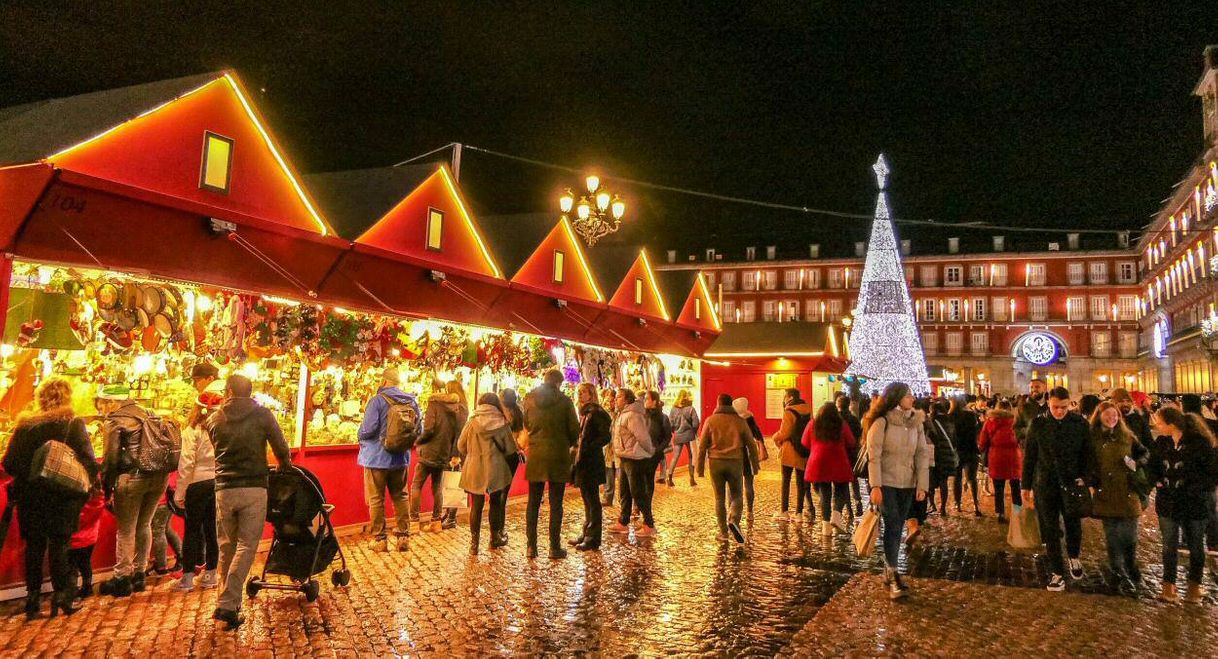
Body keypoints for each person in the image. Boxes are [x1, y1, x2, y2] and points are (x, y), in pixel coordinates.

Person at [2, 378, 96, 619]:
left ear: (40, 399)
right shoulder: (72, 425)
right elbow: (89, 461)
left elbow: (10, 463)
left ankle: (32, 599)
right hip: (63, 498)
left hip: (30, 498)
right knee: (59, 547)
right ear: (67, 398)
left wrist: (32, 474)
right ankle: (61, 596)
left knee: (34, 547)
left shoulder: (25, 427)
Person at [208, 374, 293, 630]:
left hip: (224, 489)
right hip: (254, 487)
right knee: (246, 546)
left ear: (229, 391)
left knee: (227, 547)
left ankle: (229, 605)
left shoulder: (214, 418)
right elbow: (280, 447)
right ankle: (227, 603)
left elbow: (217, 448)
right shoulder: (263, 415)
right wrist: (284, 465)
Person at [98, 384, 169, 598]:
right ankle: (139, 573)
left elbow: (110, 458)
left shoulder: (115, 419)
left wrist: (107, 485)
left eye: (103, 402)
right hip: (158, 477)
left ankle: (122, 578)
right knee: (145, 524)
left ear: (111, 402)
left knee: (126, 529)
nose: (102, 407)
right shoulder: (150, 414)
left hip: (131, 478)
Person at [866, 382, 930, 600]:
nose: (912, 398)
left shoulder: (917, 423)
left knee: (898, 524)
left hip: (908, 483)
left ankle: (888, 568)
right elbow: (873, 456)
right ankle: (893, 573)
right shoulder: (881, 422)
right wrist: (875, 485)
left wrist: (922, 484)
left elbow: (922, 454)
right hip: (887, 482)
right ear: (896, 398)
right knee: (893, 524)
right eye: (908, 395)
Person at [1021, 387, 1089, 592]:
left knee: (1073, 523)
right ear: (1049, 404)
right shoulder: (1038, 424)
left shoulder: (1080, 424)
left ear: (1070, 404)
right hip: (1045, 482)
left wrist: (1086, 478)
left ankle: (1074, 556)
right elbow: (1030, 456)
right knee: (1049, 529)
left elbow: (1087, 453)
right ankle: (1057, 572)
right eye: (1055, 407)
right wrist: (1025, 485)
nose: (1059, 411)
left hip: (1071, 481)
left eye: (1063, 407)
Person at [1148, 407, 1218, 603]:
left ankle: (1194, 586)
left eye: (1160, 423)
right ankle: (1168, 586)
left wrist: (1195, 487)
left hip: (1193, 502)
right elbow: (1152, 465)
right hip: (1168, 501)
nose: (1157, 427)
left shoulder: (1200, 444)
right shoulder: (1162, 442)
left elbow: (1212, 473)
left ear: (1171, 425)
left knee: (1196, 545)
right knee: (1169, 544)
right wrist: (1156, 480)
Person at [1086, 401, 1147, 595]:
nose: (1111, 418)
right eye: (1107, 415)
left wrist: (1135, 464)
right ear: (1099, 416)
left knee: (1129, 535)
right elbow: (1085, 461)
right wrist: (1092, 479)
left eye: (1115, 415)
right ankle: (1116, 568)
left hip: (1128, 492)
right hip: (1106, 492)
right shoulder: (1092, 438)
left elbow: (1144, 453)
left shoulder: (1127, 436)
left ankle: (1130, 564)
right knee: (1112, 536)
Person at [357, 368, 419, 552]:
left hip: (376, 457)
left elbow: (368, 429)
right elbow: (419, 429)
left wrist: (359, 434)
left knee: (376, 499)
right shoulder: (412, 402)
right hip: (400, 458)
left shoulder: (377, 401)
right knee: (401, 496)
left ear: (384, 381)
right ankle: (403, 537)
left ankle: (380, 539)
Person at [522, 369, 580, 559]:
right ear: (558, 383)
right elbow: (574, 430)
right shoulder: (565, 402)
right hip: (558, 455)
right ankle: (554, 547)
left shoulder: (530, 399)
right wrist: (566, 442)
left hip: (537, 455)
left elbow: (527, 424)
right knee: (556, 504)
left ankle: (531, 547)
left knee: (533, 503)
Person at [174, 381, 222, 591]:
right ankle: (211, 574)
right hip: (217, 482)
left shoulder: (192, 430)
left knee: (192, 530)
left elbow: (186, 463)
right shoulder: (222, 429)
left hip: (197, 483)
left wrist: (180, 491)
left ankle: (187, 578)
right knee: (213, 530)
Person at [696, 393, 760, 543]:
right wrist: (755, 465)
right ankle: (734, 521)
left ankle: (723, 532)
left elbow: (702, 445)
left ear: (718, 404)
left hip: (716, 463)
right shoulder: (739, 421)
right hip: (735, 462)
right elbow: (751, 443)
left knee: (719, 498)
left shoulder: (710, 421)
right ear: (731, 405)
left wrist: (699, 468)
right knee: (737, 495)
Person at [458, 392, 516, 555]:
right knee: (495, 503)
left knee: (476, 506)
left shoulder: (472, 422)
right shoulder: (502, 422)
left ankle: (474, 544)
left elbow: (461, 445)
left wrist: (473, 453)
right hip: (496, 469)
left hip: (475, 468)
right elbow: (510, 449)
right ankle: (494, 538)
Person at [411, 380, 466, 533]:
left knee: (416, 486)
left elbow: (428, 429)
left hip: (428, 451)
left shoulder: (434, 404)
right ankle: (436, 522)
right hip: (443, 453)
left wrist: (418, 441)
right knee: (437, 488)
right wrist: (454, 453)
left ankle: (414, 522)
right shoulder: (457, 408)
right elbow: (457, 433)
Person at [569, 383, 613, 551]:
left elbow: (605, 437)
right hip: (583, 461)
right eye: (579, 392)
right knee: (586, 499)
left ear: (591, 394)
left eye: (583, 392)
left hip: (591, 461)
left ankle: (593, 537)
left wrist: (588, 446)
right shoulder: (585, 413)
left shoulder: (596, 413)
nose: (580, 395)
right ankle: (586, 531)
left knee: (592, 500)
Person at [609, 388, 657, 537]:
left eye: (619, 397)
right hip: (624, 456)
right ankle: (623, 522)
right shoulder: (622, 415)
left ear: (627, 399)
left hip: (634, 458)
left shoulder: (632, 415)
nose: (616, 400)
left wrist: (650, 451)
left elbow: (642, 437)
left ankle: (649, 524)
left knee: (637, 491)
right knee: (624, 491)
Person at [803, 402, 856, 537]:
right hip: (839, 460)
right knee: (842, 489)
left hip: (818, 462)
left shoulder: (813, 424)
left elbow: (804, 441)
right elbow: (851, 442)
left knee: (824, 494)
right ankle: (836, 514)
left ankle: (825, 527)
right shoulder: (841, 424)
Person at [771, 388, 814, 519]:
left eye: (785, 397)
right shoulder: (808, 409)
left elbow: (785, 432)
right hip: (803, 449)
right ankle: (799, 513)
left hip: (789, 449)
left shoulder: (788, 411)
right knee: (801, 482)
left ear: (789, 397)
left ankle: (784, 511)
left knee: (786, 480)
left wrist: (775, 437)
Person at [977, 399, 1022, 522]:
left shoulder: (989, 421)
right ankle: (1017, 513)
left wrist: (982, 449)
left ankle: (1000, 513)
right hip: (1014, 457)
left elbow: (982, 442)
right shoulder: (1015, 420)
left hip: (996, 457)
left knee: (999, 488)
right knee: (1016, 488)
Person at [497, 388, 526, 546]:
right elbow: (520, 435)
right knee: (504, 492)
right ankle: (500, 528)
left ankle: (497, 529)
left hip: (500, 453)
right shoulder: (517, 413)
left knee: (497, 493)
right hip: (512, 454)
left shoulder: (499, 413)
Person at [732, 397, 767, 520]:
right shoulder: (750, 419)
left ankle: (733, 510)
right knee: (749, 484)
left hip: (735, 455)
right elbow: (758, 436)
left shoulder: (734, 420)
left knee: (734, 485)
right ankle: (750, 512)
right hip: (749, 455)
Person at [69, 485, 105, 601]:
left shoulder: (73, 495)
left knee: (71, 566)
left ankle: (72, 590)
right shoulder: (97, 495)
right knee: (85, 562)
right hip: (90, 537)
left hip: (73, 538)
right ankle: (87, 586)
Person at [948, 396, 982, 516]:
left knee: (957, 479)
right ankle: (976, 504)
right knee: (972, 479)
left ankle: (958, 504)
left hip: (957, 450)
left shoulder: (950, 416)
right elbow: (976, 431)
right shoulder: (971, 415)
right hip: (971, 449)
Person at [924, 400, 957, 515]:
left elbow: (929, 437)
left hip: (934, 454)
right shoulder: (950, 421)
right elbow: (954, 438)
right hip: (947, 454)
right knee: (944, 481)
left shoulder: (932, 421)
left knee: (930, 481)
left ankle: (932, 504)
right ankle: (943, 507)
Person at [837, 394, 865, 516]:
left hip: (841, 453)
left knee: (842, 482)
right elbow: (859, 434)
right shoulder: (853, 419)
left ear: (838, 405)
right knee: (854, 480)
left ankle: (848, 508)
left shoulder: (837, 419)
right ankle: (858, 501)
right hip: (852, 452)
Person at [666, 389, 700, 487]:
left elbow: (670, 423)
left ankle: (670, 477)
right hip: (689, 436)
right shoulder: (690, 408)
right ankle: (691, 479)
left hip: (677, 435)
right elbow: (695, 423)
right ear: (686, 396)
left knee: (675, 456)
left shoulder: (673, 409)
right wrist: (694, 431)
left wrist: (675, 431)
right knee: (691, 456)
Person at [644, 391, 673, 486]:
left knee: (648, 482)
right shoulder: (642, 416)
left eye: (647, 398)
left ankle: (647, 500)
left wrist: (658, 450)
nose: (645, 401)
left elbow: (667, 436)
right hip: (640, 453)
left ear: (654, 401)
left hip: (653, 454)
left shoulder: (663, 418)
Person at [1014, 378, 1048, 447]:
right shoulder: (1023, 407)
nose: (1034, 390)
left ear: (1045, 388)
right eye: (1031, 387)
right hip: (1029, 448)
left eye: (1037, 387)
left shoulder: (1050, 406)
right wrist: (1029, 431)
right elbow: (1015, 429)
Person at [600, 388, 620, 506]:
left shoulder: (620, 413)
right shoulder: (605, 413)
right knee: (608, 473)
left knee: (620, 474)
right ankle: (608, 497)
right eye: (609, 400)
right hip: (608, 447)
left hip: (619, 447)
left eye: (613, 400)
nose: (611, 402)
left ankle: (623, 499)